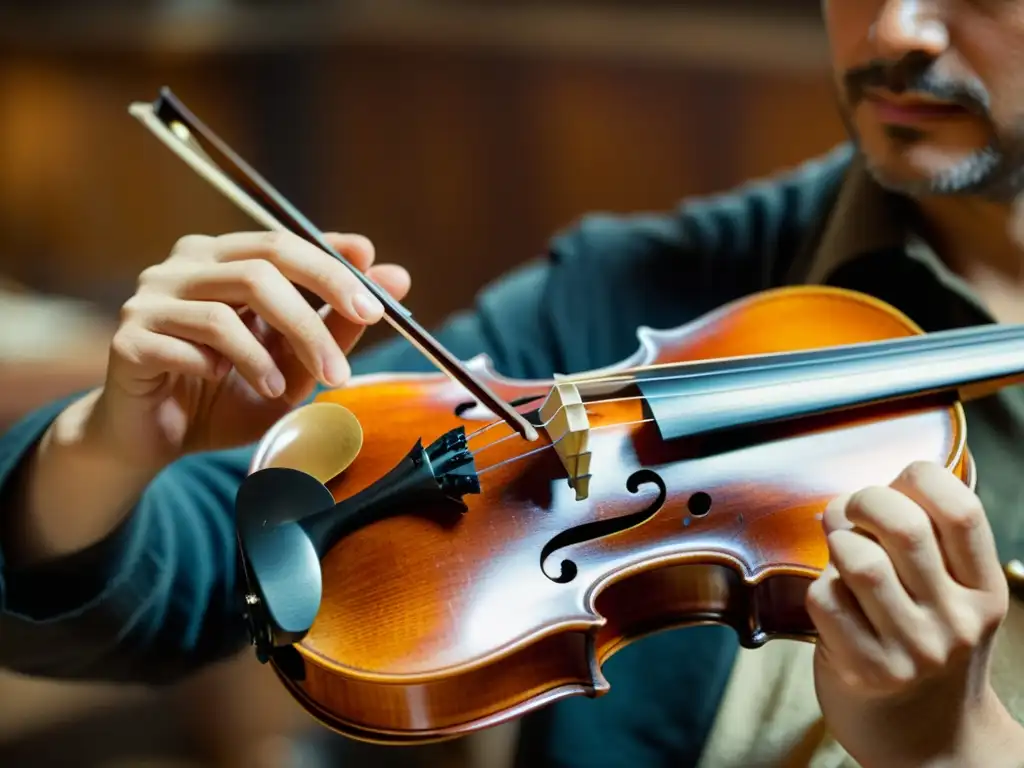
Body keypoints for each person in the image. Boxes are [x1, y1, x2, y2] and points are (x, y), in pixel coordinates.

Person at [3, 0, 1024, 765]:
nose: (898, 28)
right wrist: (110, 444)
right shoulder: (639, 295)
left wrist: (955, 744)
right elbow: (213, 566)